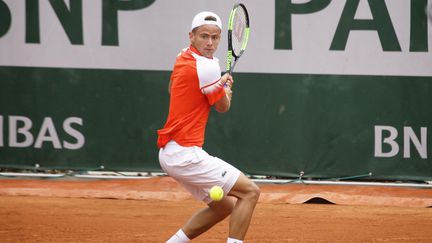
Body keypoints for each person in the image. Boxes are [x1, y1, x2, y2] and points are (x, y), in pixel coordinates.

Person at [157, 11, 260, 243]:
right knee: (250, 192)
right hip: (185, 153)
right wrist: (225, 91)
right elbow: (223, 107)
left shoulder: (183, 55)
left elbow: (172, 88)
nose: (210, 43)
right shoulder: (208, 68)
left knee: (223, 206)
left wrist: (215, 85)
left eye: (215, 37)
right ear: (191, 36)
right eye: (204, 36)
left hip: (170, 153)